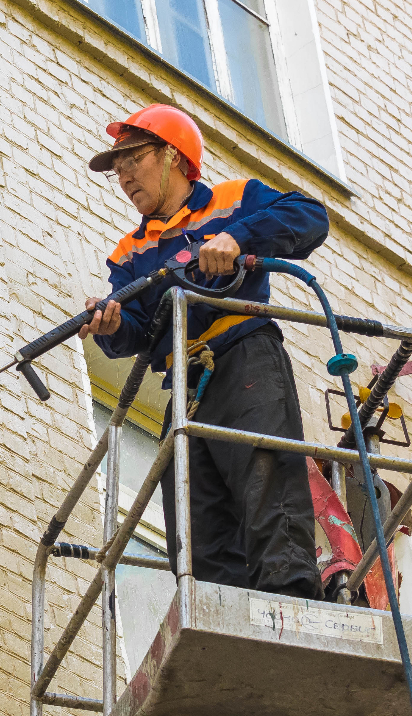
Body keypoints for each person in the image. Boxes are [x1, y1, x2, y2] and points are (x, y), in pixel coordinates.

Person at [77, 104, 329, 599]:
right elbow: (137, 332)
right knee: (193, 514)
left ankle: (291, 596)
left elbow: (310, 216)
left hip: (244, 355)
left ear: (172, 155)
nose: (123, 175)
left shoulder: (234, 200)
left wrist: (237, 236)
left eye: (133, 159)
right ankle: (219, 614)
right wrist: (108, 325)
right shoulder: (129, 252)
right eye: (117, 168)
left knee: (264, 475)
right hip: (187, 380)